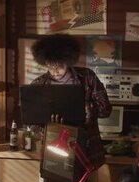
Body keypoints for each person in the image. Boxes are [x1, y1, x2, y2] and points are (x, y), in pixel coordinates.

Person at [31, 33, 111, 168]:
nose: (55, 71)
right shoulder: (38, 84)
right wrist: (48, 127)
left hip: (84, 146)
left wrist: (88, 109)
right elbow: (31, 120)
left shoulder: (87, 77)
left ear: (68, 61)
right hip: (54, 146)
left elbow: (106, 110)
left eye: (59, 66)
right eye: (50, 67)